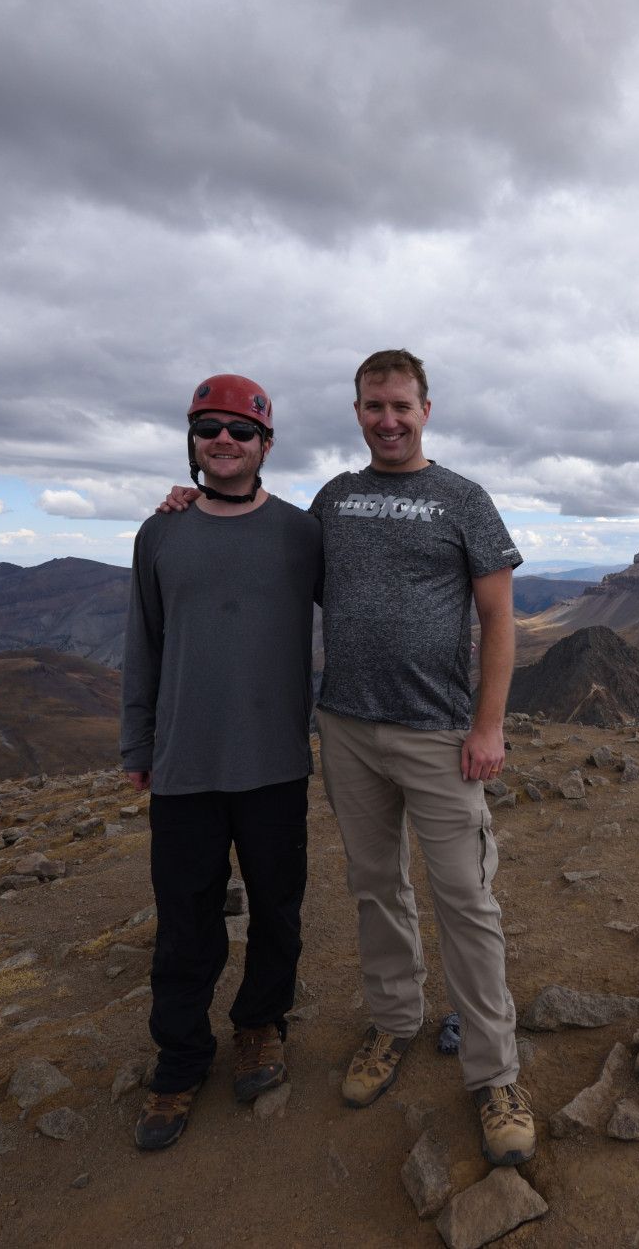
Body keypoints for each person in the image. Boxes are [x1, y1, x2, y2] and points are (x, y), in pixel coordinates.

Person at [160, 348, 533, 1166]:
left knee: (466, 899)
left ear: (425, 409)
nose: (388, 420)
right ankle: (395, 1023)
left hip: (439, 733)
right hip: (349, 731)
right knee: (376, 887)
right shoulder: (335, 500)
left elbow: (501, 618)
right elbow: (259, 535)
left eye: (401, 405)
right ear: (357, 410)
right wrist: (191, 502)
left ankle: (494, 1071)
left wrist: (488, 725)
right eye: (373, 406)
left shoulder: (464, 499)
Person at [121, 373, 321, 1152]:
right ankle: (179, 1059)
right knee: (184, 923)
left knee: (276, 910)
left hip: (275, 763)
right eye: (209, 429)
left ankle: (261, 1026)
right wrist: (138, 745)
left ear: (266, 444)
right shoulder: (159, 533)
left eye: (240, 431)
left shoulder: (302, 533)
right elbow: (144, 642)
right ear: (193, 441)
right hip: (184, 766)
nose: (224, 442)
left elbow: (365, 605)